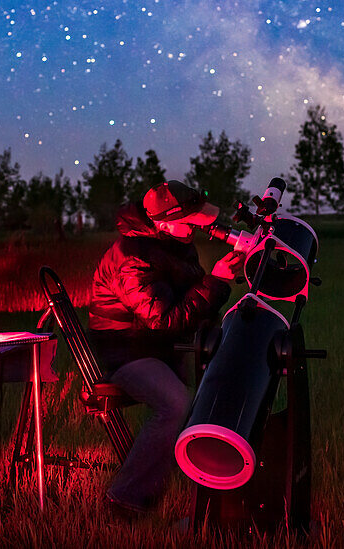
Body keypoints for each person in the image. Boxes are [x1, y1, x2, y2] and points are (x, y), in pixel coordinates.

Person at [89, 180, 245, 516]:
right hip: (127, 352)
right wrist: (215, 281)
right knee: (175, 403)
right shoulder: (133, 260)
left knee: (227, 373)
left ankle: (221, 479)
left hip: (158, 346)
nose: (198, 227)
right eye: (191, 221)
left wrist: (222, 284)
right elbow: (165, 320)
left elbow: (191, 301)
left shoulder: (175, 242)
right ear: (162, 222)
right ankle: (125, 498)